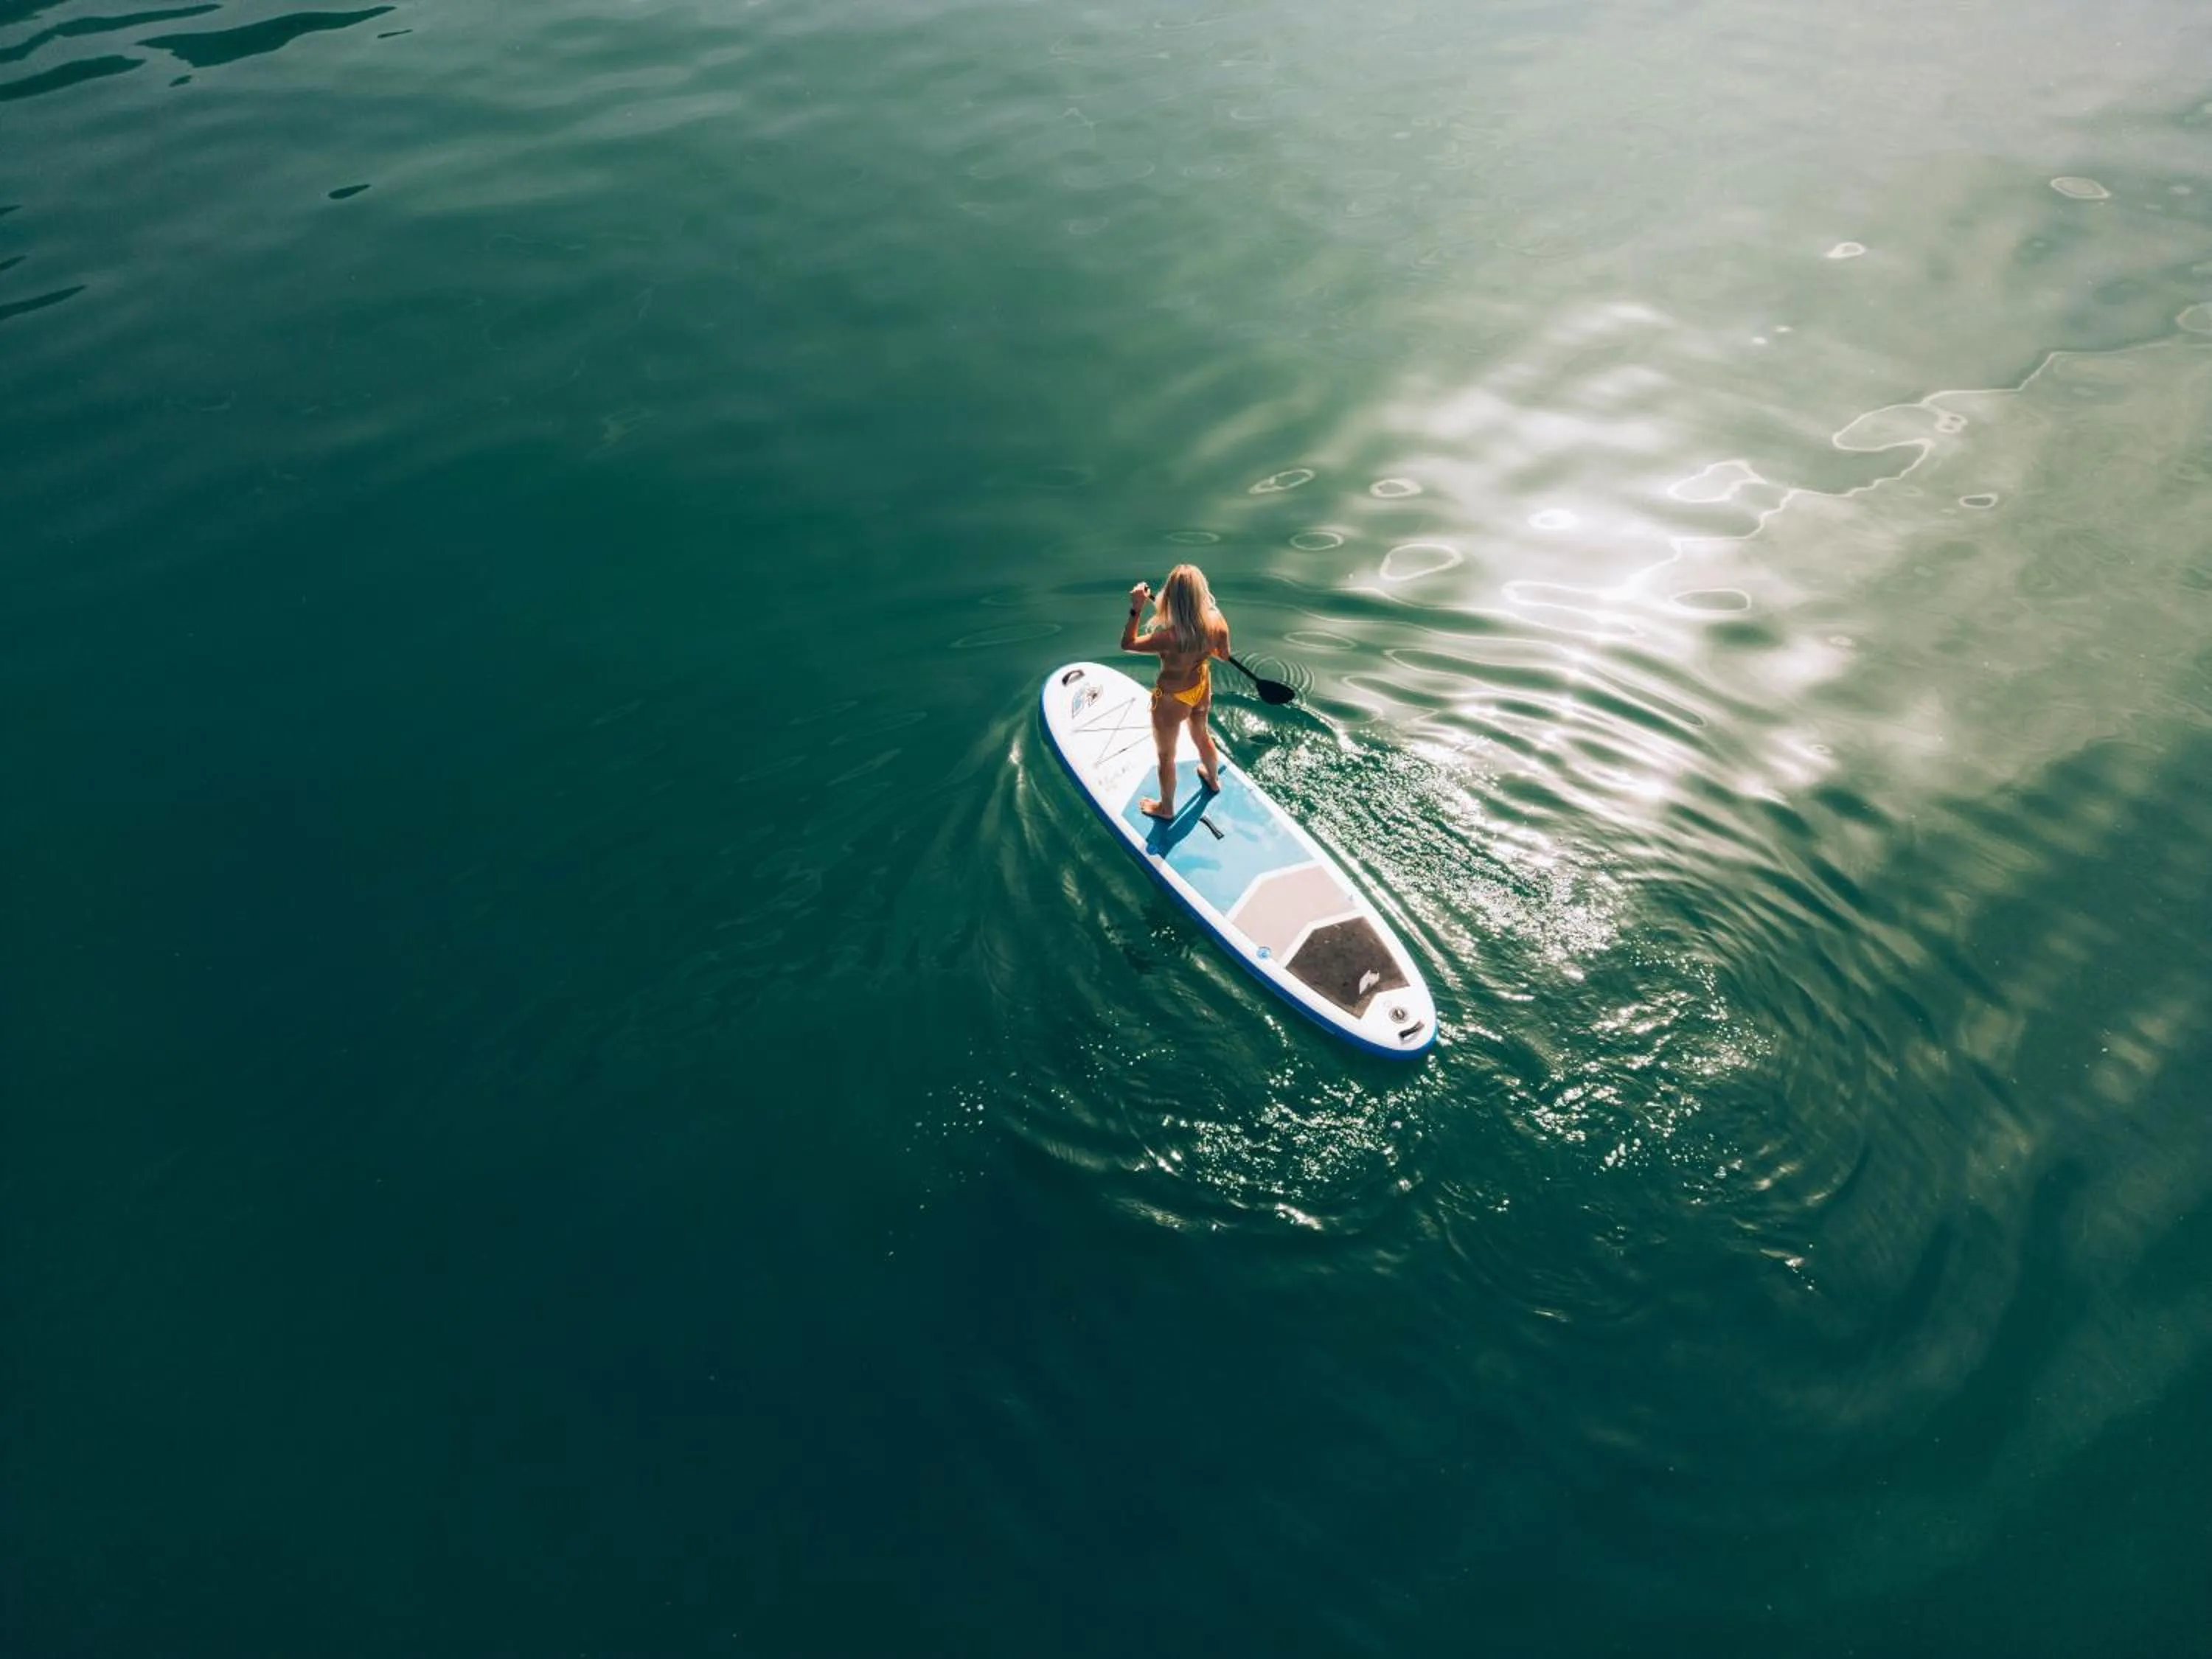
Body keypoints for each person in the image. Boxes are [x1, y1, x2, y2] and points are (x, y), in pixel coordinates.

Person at [1121, 563, 1231, 821]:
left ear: (1171, 597)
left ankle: (1166, 808)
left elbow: (1128, 644)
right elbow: (1224, 656)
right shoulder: (1217, 621)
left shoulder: (1168, 638)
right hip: (1201, 686)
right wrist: (1202, 647)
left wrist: (1136, 609)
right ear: (1201, 593)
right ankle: (1213, 780)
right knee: (1201, 735)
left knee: (1166, 757)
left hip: (1172, 700)